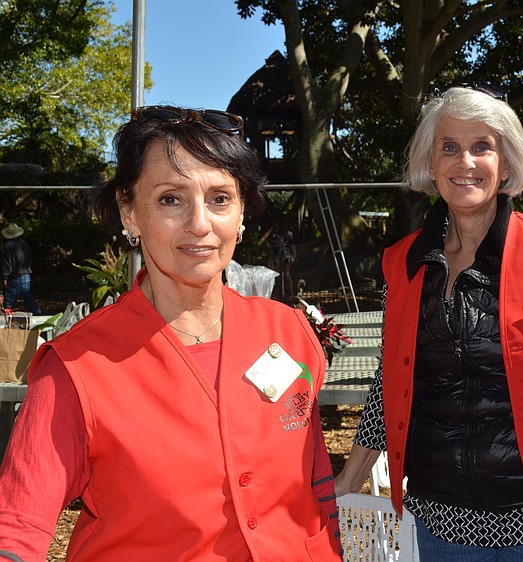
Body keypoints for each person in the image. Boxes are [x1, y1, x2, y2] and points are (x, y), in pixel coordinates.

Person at [0, 106, 342, 561]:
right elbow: (17, 526)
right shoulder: (75, 368)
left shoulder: (289, 332)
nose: (199, 224)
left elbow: (315, 481)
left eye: (220, 198)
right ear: (129, 211)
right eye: (170, 199)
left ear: (241, 211)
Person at [334, 86, 523, 560]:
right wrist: (350, 477)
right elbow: (390, 382)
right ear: (431, 166)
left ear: (506, 164)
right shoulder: (403, 263)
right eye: (448, 147)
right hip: (441, 517)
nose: (464, 161)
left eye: (482, 147)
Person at [1, 223, 42, 315]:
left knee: (9, 301)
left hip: (14, 276)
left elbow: (7, 263)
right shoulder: (25, 244)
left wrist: (5, 277)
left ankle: (6, 319)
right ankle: (38, 314)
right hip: (25, 275)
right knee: (28, 298)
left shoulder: (8, 246)